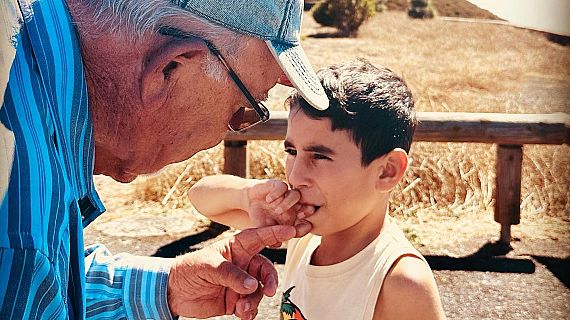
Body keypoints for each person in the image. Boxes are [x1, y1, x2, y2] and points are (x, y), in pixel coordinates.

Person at [0, 0, 329, 319]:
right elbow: (29, 262)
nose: (222, 137)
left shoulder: (25, 52)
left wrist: (169, 286)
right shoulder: (20, 230)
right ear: (170, 68)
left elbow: (47, 283)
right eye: (242, 110)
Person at [189, 59, 446, 319]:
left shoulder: (400, 282)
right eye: (291, 151)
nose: (295, 175)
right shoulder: (303, 232)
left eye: (320, 156)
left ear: (387, 171)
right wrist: (248, 196)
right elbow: (200, 196)